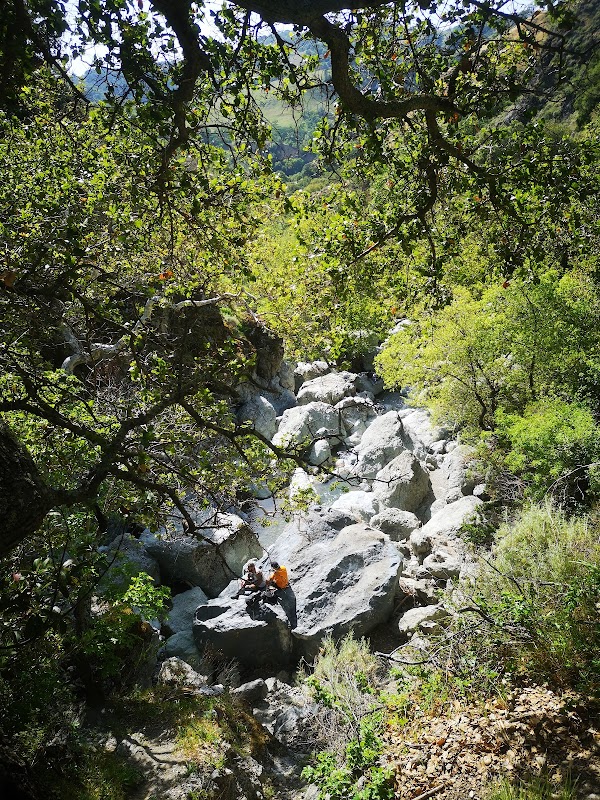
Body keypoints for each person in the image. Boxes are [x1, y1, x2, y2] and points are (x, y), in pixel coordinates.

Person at [266, 561, 297, 629]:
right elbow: (278, 571)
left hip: (281, 587)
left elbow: (270, 579)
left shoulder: (275, 574)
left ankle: (269, 592)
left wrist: (272, 572)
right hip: (286, 584)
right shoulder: (283, 568)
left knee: (270, 582)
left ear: (274, 568)